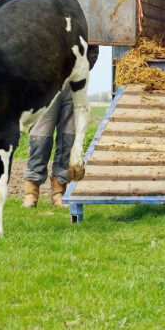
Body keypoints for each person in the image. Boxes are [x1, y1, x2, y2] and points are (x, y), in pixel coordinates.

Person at [22, 45, 99, 208]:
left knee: (68, 139)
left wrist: (81, 70)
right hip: (46, 84)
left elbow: (93, 47)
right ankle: (31, 195)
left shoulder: (84, 27)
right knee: (40, 138)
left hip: (73, 86)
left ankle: (59, 194)